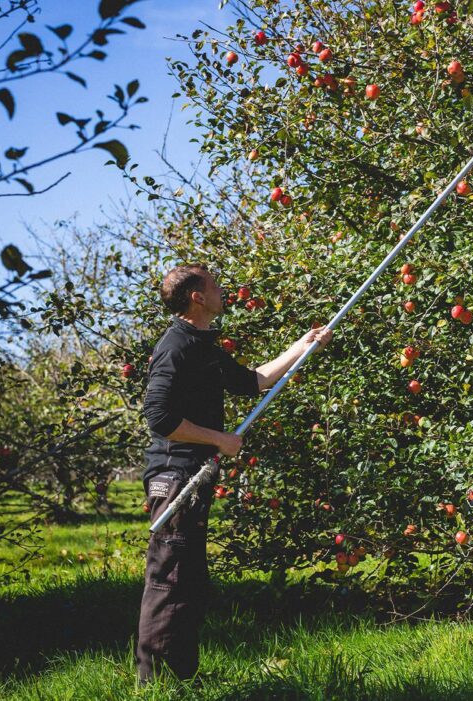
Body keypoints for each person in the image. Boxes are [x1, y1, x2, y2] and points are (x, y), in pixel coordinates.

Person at [136, 263, 332, 683]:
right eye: (215, 286)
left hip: (193, 474)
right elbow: (159, 417)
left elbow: (252, 381)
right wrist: (217, 439)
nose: (223, 291)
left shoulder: (203, 344)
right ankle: (153, 684)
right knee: (169, 579)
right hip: (174, 474)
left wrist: (303, 345)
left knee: (189, 580)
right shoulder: (176, 346)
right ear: (197, 297)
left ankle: (180, 678)